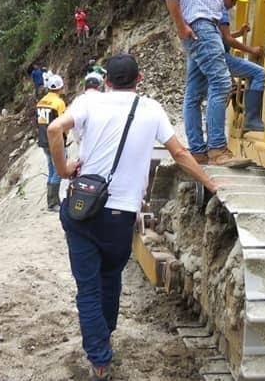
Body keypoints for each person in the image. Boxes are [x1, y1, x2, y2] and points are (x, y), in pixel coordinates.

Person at [46, 53, 217, 381]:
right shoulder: (150, 109)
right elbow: (180, 153)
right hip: (121, 214)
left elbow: (55, 128)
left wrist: (63, 169)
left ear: (106, 81)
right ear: (139, 80)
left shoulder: (88, 102)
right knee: (110, 278)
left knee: (88, 288)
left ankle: (99, 359)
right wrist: (210, 183)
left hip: (83, 208)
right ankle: (105, 336)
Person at [160, 0, 255, 168]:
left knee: (193, 93)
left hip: (201, 25)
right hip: (201, 25)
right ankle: (217, 149)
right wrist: (181, 25)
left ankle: (199, 151)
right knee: (222, 82)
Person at [218, 0, 265, 132]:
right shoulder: (222, 11)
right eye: (233, 0)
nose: (234, 4)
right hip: (222, 57)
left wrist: (239, 32)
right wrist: (251, 50)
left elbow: (223, 36)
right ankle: (252, 119)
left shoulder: (213, 8)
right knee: (260, 73)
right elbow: (227, 39)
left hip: (215, 55)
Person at [36, 73, 66, 212]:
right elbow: (62, 124)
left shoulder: (41, 102)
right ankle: (53, 202)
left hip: (43, 140)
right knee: (59, 171)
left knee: (51, 169)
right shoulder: (58, 103)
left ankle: (51, 200)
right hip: (55, 141)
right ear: (61, 87)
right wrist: (64, 138)